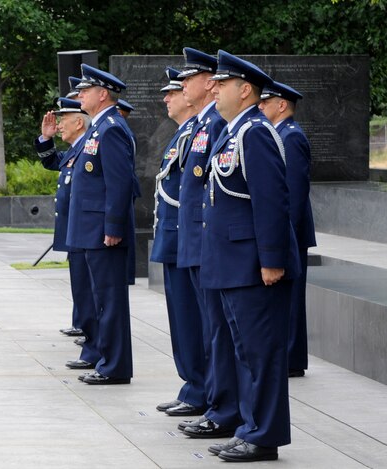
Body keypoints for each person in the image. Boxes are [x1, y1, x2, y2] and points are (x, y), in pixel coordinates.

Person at [201, 50, 300, 462]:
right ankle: (250, 427)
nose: (213, 88)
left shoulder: (254, 132)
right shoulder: (232, 131)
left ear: (245, 90)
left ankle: (264, 435)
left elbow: (271, 200)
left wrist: (272, 259)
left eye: (221, 84)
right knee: (245, 352)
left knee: (261, 353)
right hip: (233, 261)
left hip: (253, 264)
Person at [173, 47, 238, 440]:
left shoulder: (215, 123)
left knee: (217, 329)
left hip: (207, 239)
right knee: (208, 327)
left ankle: (221, 407)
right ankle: (216, 403)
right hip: (197, 239)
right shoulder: (201, 124)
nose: (182, 85)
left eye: (189, 77)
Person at [69, 64, 136, 385]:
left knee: (109, 301)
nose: (80, 94)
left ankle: (115, 366)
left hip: (102, 232)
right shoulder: (98, 127)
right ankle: (104, 358)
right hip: (90, 230)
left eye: (85, 90)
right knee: (100, 299)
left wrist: (113, 227)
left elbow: (119, 183)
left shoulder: (111, 128)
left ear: (103, 94)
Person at [150, 67, 207, 417]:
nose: (169, 96)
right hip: (176, 235)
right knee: (183, 319)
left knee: (193, 319)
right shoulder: (186, 133)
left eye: (176, 89)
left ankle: (200, 389)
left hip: (189, 236)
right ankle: (193, 386)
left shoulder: (203, 129)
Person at [36, 97, 100, 370]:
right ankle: (90, 345)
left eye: (63, 120)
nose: (59, 124)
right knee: (82, 292)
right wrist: (45, 138)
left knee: (91, 294)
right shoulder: (76, 150)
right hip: (76, 232)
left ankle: (94, 347)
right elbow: (52, 162)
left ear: (78, 121)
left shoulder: (89, 146)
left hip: (88, 231)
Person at [258, 81, 317, 378]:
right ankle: (287, 356)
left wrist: (285, 236)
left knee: (291, 299)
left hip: (291, 232)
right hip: (287, 232)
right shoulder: (277, 135)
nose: (260, 107)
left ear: (282, 105)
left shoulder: (290, 137)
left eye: (266, 103)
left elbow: (293, 193)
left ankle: (292, 359)